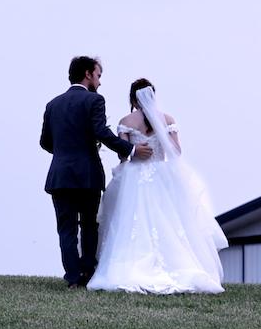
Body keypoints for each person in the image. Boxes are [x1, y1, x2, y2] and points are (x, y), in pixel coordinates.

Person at [89, 79, 228, 294]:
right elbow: (176, 151)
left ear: (133, 99)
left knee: (130, 223)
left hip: (133, 178)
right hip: (161, 177)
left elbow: (121, 154)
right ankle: (178, 266)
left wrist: (136, 147)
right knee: (169, 223)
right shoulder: (167, 119)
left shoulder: (127, 120)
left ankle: (130, 267)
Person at [40, 56, 154, 288]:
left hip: (60, 175)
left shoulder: (52, 105)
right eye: (98, 75)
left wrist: (64, 152)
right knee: (89, 225)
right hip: (87, 175)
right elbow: (101, 132)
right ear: (87, 74)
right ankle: (87, 274)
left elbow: (45, 142)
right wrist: (131, 149)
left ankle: (72, 278)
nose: (100, 82)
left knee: (66, 228)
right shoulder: (94, 100)